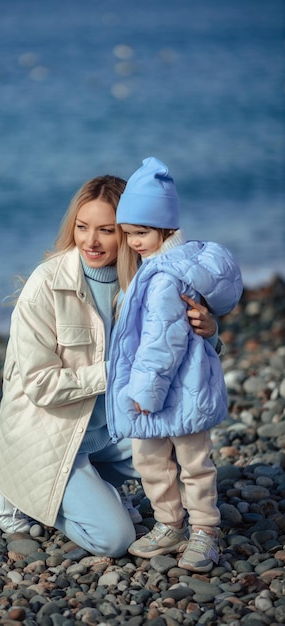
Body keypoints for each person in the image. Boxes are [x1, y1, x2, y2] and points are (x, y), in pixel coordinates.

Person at [0, 172, 221, 558]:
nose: (90, 242)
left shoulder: (148, 282)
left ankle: (97, 491)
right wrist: (121, 370)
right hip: (53, 436)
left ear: (128, 233)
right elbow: (41, 385)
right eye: (82, 227)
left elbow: (174, 356)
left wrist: (209, 334)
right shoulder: (46, 285)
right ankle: (20, 492)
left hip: (111, 430)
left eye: (106, 230)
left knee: (184, 459)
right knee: (115, 540)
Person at [106, 157, 243, 570]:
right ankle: (170, 525)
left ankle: (203, 532)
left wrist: (144, 393)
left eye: (141, 232)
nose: (133, 242)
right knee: (150, 460)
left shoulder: (165, 276)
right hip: (162, 387)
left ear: (166, 227)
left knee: (193, 464)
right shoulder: (153, 268)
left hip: (178, 389)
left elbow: (162, 340)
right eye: (128, 233)